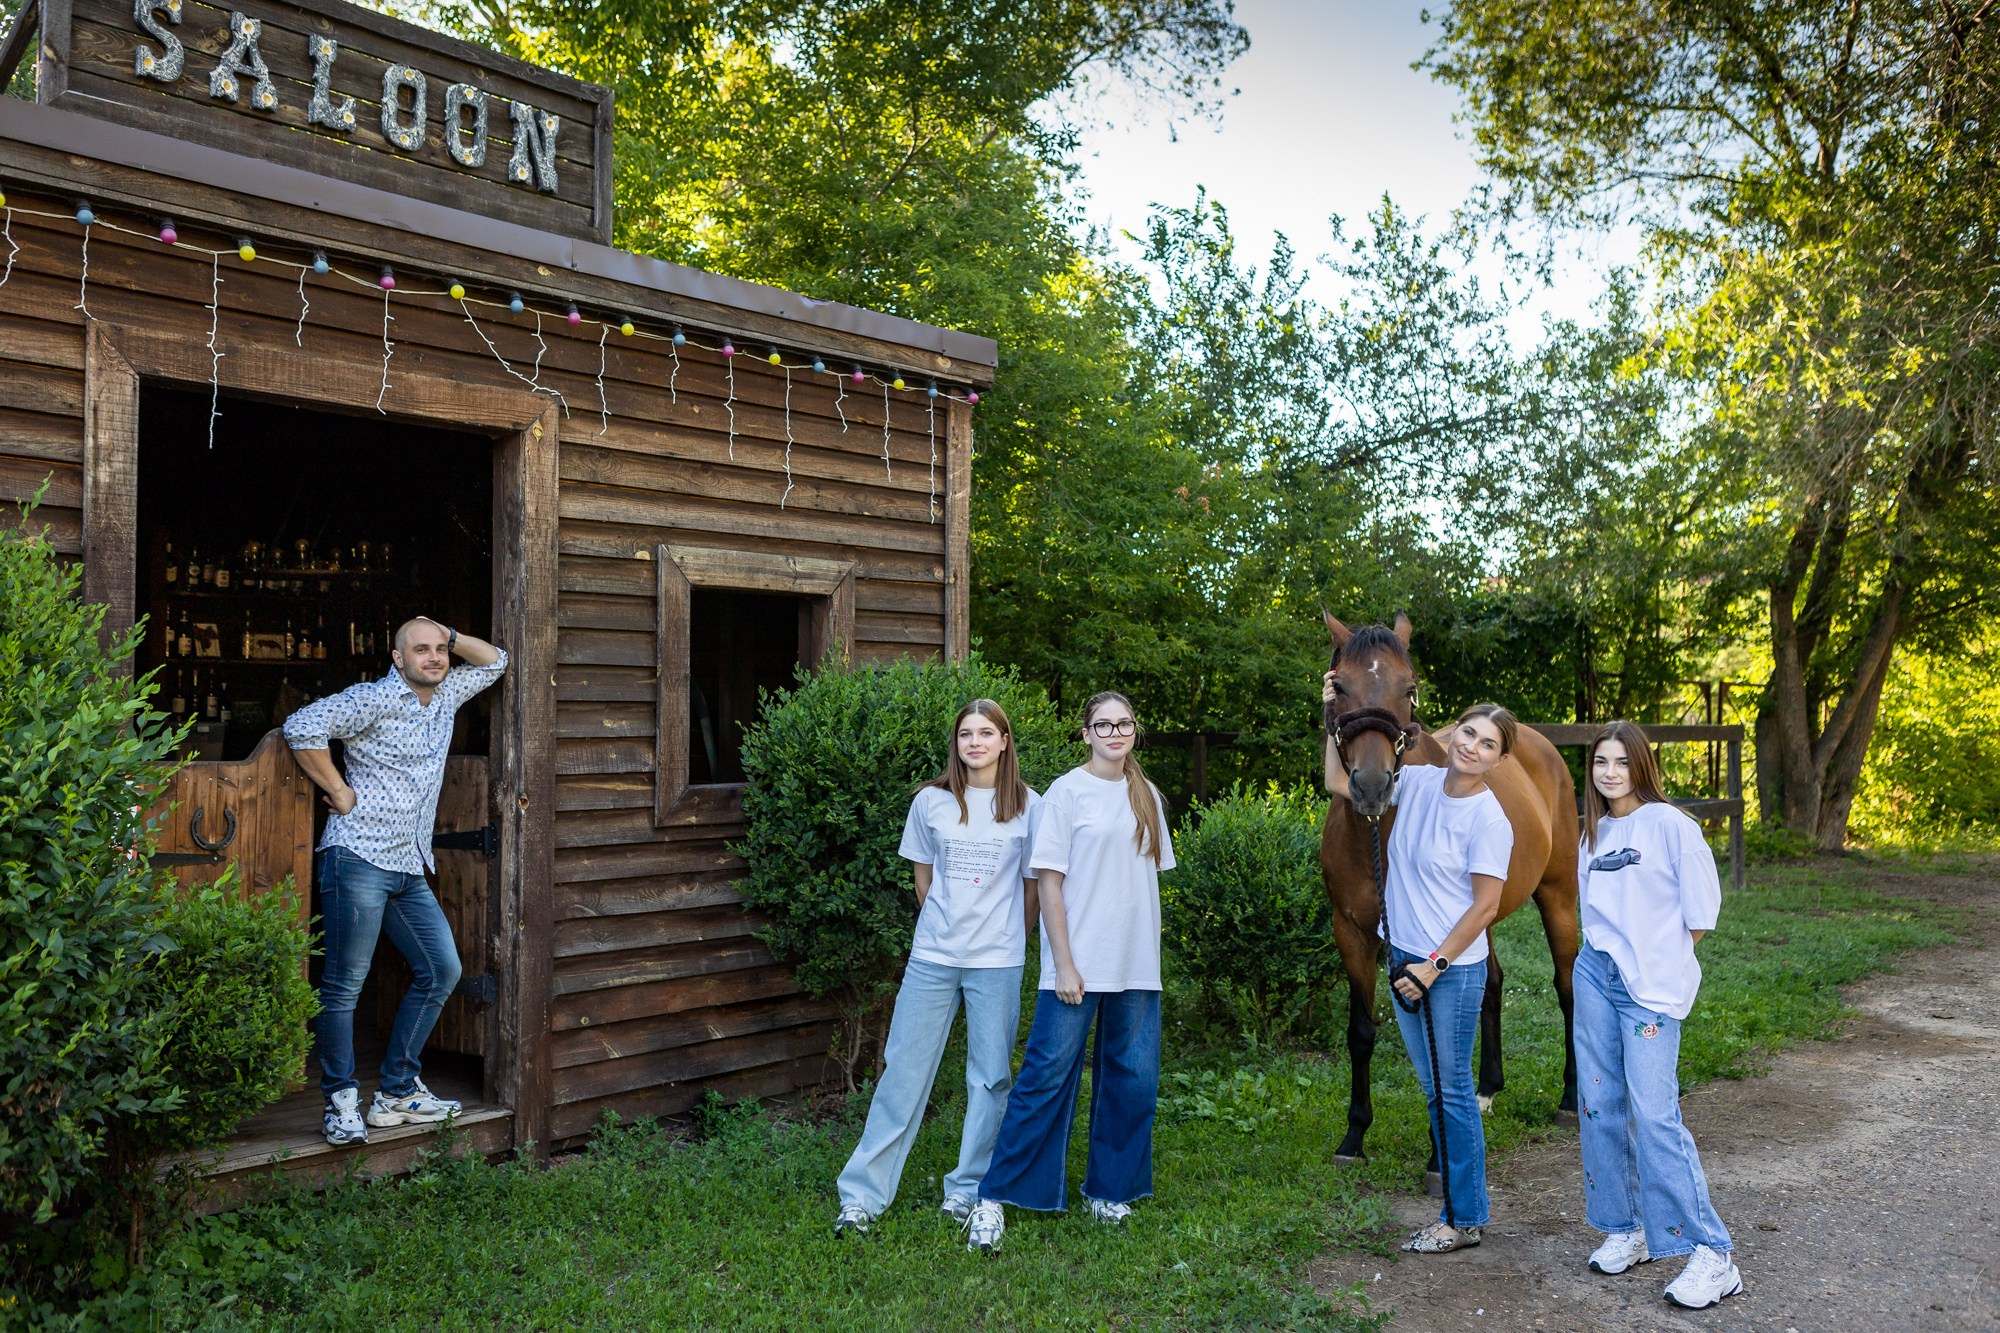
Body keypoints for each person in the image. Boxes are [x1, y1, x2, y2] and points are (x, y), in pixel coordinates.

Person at [283, 616, 505, 1147]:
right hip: (357, 859)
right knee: (343, 987)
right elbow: (300, 727)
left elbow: (496, 662)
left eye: (440, 650)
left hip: (408, 866)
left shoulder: (447, 694)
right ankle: (340, 1103)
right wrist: (338, 792)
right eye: (420, 650)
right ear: (396, 657)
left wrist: (452, 636)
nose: (434, 658)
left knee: (441, 970)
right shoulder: (372, 699)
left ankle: (397, 1092)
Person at [965, 691, 1174, 1253]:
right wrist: (1063, 964)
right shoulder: (1064, 793)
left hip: (1136, 967)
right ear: (1085, 733)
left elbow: (1144, 886)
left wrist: (1147, 961)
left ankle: (1110, 1190)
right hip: (1075, 966)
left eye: (1123, 723)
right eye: (1102, 725)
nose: (1113, 732)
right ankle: (994, 1196)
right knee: (1043, 1081)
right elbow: (1049, 882)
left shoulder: (1147, 795)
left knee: (1133, 1082)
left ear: (1135, 731)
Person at [832, 699, 1041, 1236]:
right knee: (902, 1071)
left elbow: (1032, 888)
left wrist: (1010, 936)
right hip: (933, 958)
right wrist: (945, 928)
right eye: (966, 733)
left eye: (986, 733)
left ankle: (968, 1188)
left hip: (997, 960)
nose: (975, 742)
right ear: (957, 743)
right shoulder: (931, 803)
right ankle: (862, 1196)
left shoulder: (1030, 807)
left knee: (990, 1078)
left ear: (1004, 741)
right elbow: (923, 882)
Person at [1325, 690, 1516, 1255]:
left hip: (1447, 972)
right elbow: (1341, 782)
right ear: (1451, 734)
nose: (1472, 747)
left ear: (1499, 760)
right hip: (1405, 959)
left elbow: (1484, 908)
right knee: (1438, 1090)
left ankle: (1462, 1217)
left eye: (1488, 744)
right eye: (1468, 734)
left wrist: (1433, 966)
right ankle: (1464, 1210)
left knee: (1452, 1092)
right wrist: (1328, 713)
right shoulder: (1423, 782)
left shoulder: (1490, 819)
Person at [1574, 720, 1740, 1309]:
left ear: (1642, 766)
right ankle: (1628, 1228)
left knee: (1653, 1111)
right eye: (1600, 762)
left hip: (1648, 985)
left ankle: (1712, 1252)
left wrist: (1656, 968)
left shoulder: (1673, 826)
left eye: (1621, 761)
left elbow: (1700, 916)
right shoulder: (1592, 832)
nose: (1610, 772)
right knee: (1598, 1104)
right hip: (1595, 973)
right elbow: (1593, 912)